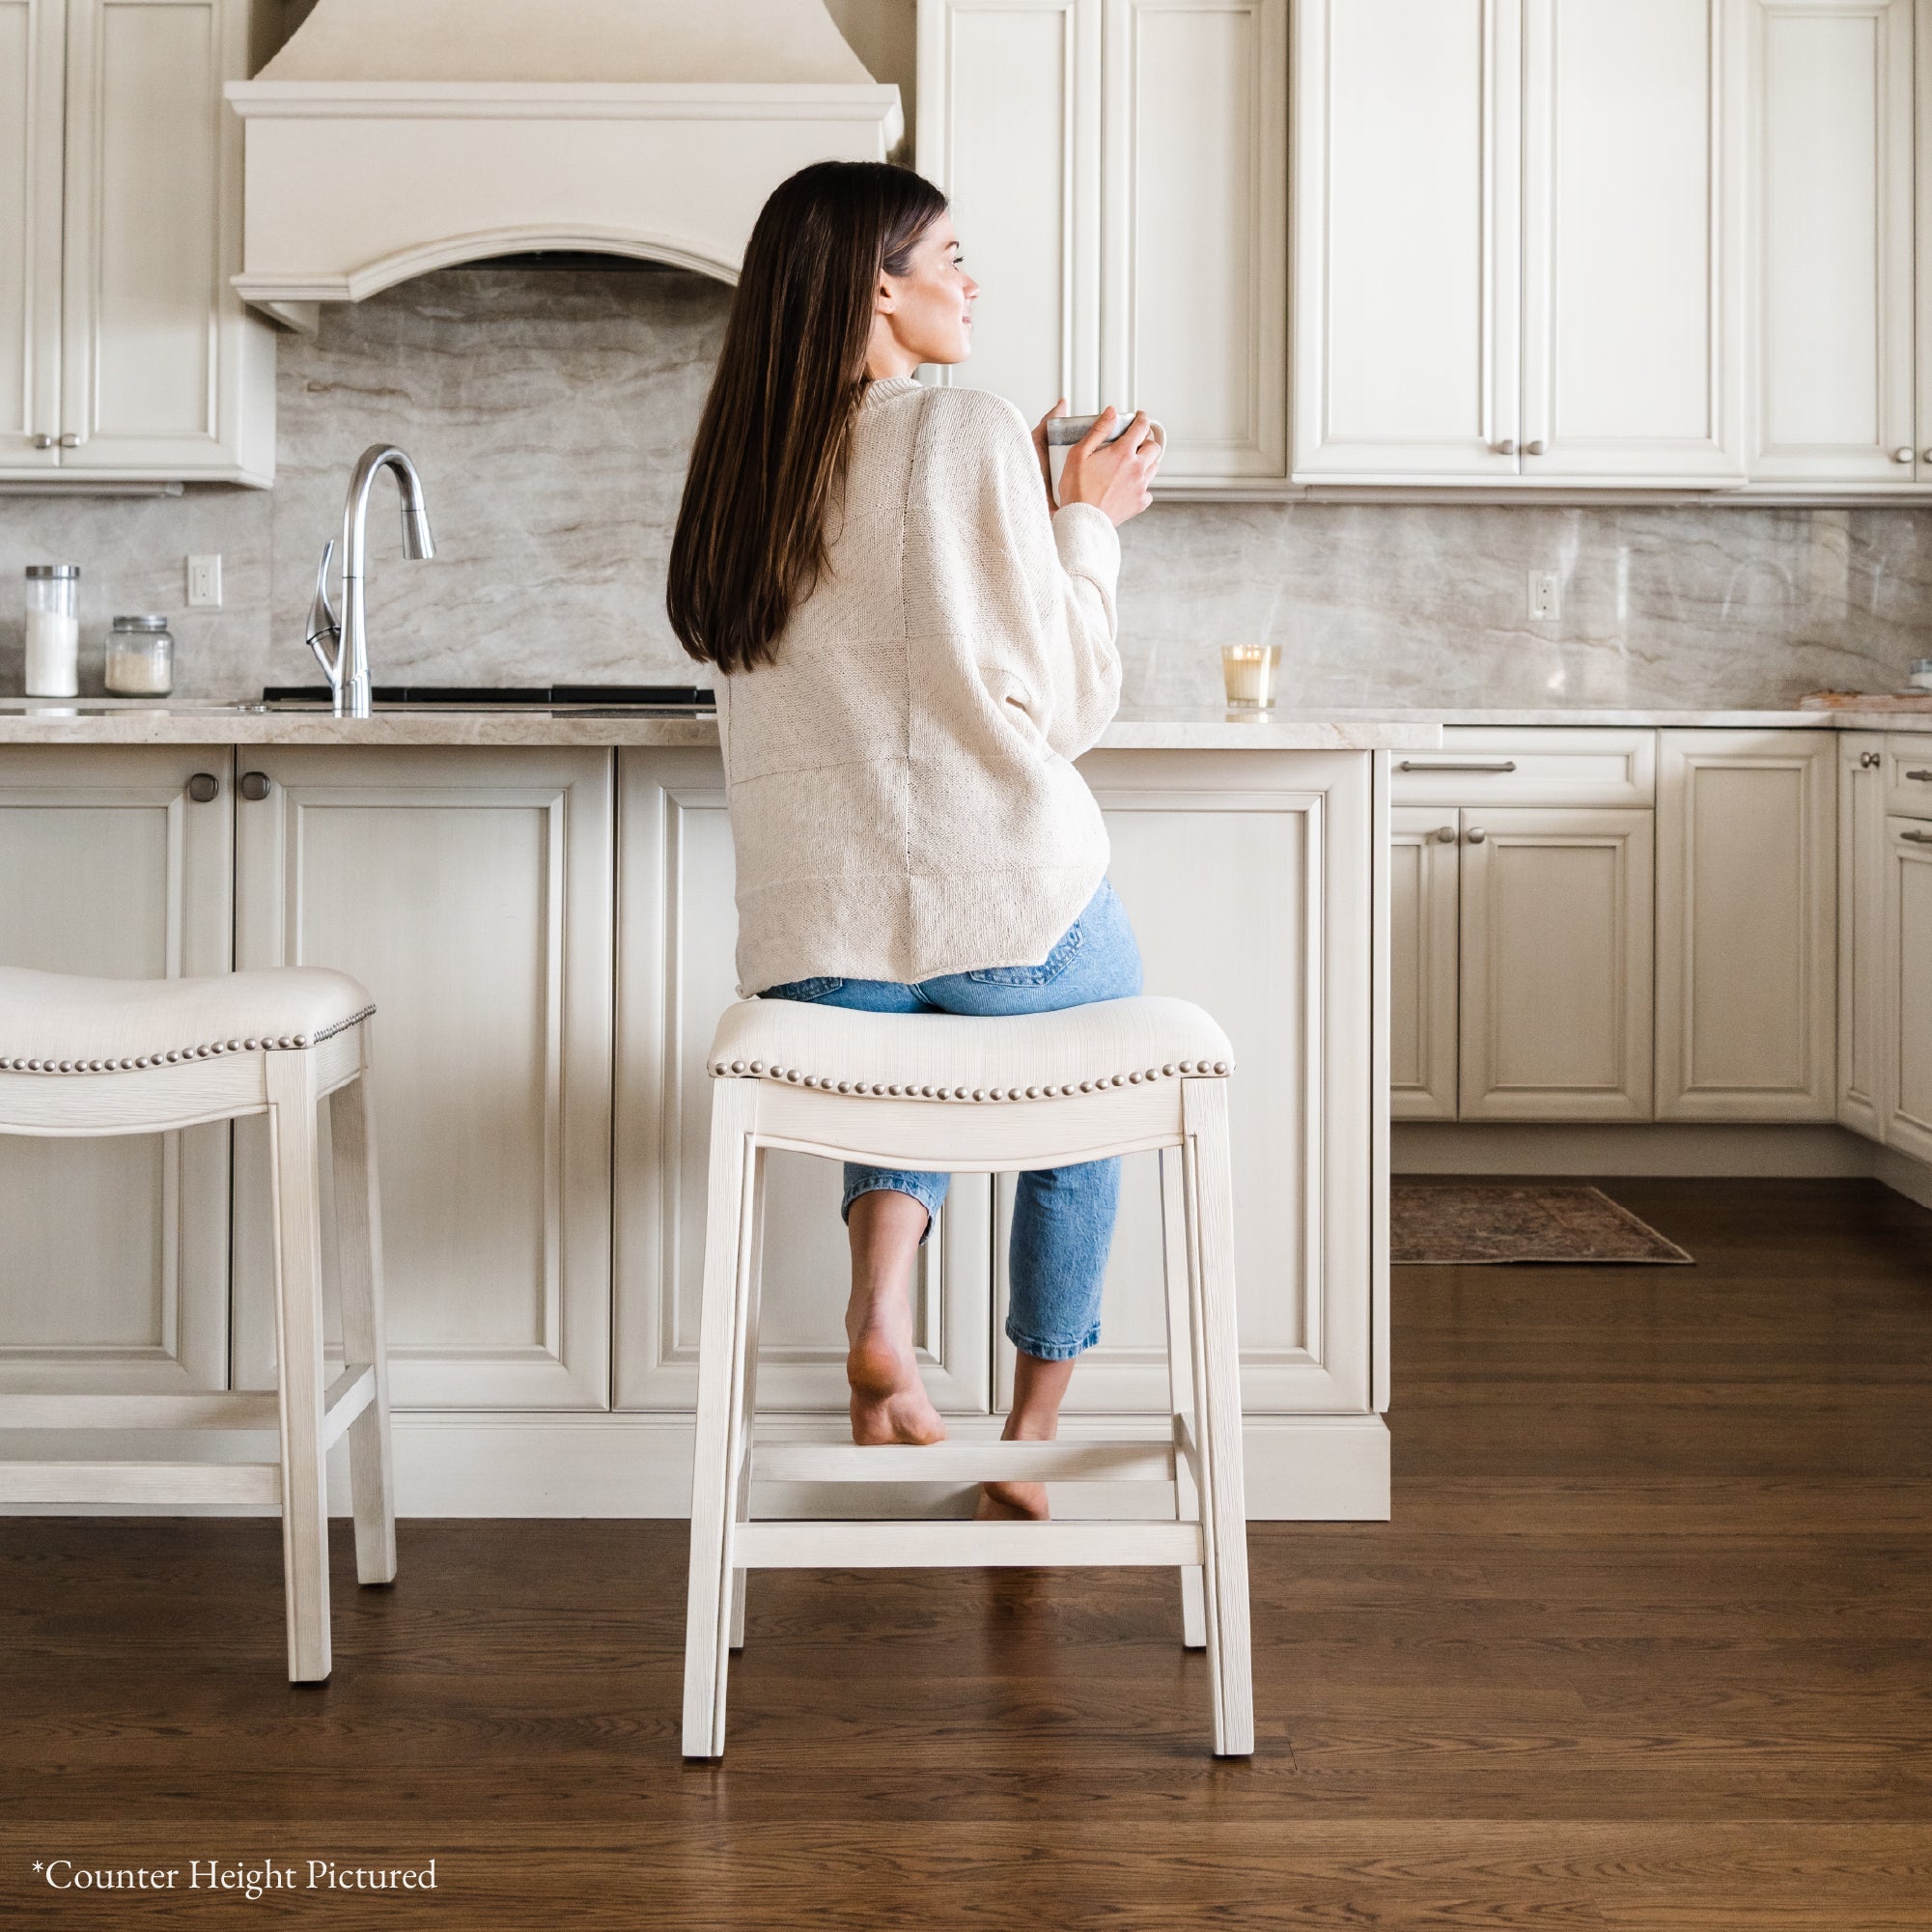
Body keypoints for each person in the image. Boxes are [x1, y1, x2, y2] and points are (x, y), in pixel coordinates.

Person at [667, 160, 1160, 1520]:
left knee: (901, 1054)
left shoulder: (742, 471)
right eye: (949, 254)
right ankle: (1027, 1440)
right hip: (1011, 902)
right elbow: (1065, 697)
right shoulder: (964, 430)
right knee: (1080, 1116)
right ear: (878, 286)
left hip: (813, 944)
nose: (967, 279)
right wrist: (1086, 521)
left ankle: (878, 1309)